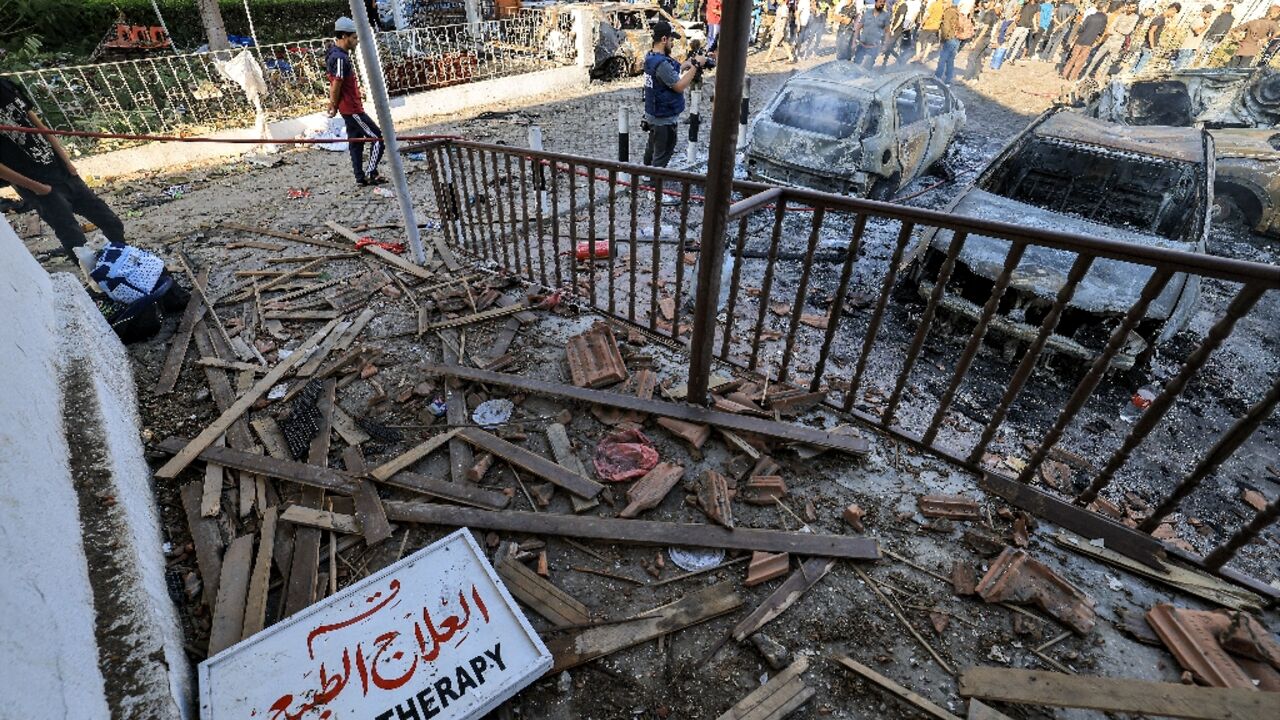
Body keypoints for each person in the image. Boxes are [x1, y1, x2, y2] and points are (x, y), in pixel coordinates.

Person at [0, 77, 126, 262]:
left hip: (62, 171)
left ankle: (122, 262)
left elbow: (39, 126)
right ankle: (97, 282)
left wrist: (68, 163)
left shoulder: (5, 85)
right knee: (75, 240)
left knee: (111, 221)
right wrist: (37, 188)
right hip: (38, 186)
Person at [326, 17, 385, 187]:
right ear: (344, 36)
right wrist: (334, 104)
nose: (357, 41)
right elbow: (336, 84)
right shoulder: (339, 58)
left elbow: (337, 83)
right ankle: (371, 173)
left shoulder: (334, 53)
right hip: (352, 109)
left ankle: (360, 177)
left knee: (355, 143)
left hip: (349, 107)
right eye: (354, 37)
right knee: (377, 139)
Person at [643, 21, 705, 169]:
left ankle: (646, 176)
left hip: (653, 114)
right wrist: (696, 67)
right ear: (664, 40)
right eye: (671, 40)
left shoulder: (651, 57)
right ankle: (653, 187)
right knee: (662, 154)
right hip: (664, 119)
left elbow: (668, 74)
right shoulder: (662, 64)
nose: (673, 44)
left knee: (652, 150)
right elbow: (679, 86)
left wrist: (686, 64)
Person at [1085, 1, 1137, 78]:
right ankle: (1085, 74)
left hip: (1118, 43)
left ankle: (1100, 79)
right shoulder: (1121, 15)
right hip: (1110, 40)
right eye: (1130, 7)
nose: (1131, 9)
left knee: (1109, 63)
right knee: (1095, 58)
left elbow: (1127, 31)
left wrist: (1117, 29)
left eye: (1133, 8)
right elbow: (1110, 28)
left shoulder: (1135, 17)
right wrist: (1118, 31)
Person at [1062, 4, 1108, 78]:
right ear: (1104, 8)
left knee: (1072, 58)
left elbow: (1081, 29)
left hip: (1080, 40)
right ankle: (1072, 77)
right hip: (1090, 42)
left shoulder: (1090, 17)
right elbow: (1101, 31)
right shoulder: (1104, 18)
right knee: (1080, 61)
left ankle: (1064, 74)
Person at [1133, 3, 1178, 72]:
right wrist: (1152, 47)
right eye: (1174, 13)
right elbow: (1151, 32)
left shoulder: (1160, 18)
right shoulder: (1160, 19)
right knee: (1139, 68)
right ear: (1173, 9)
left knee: (1135, 67)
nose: (1173, 15)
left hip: (1147, 45)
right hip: (1148, 47)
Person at [964, 1, 1002, 79]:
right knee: (978, 59)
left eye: (987, 2)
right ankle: (976, 77)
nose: (985, 4)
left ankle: (966, 77)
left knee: (972, 57)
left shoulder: (989, 14)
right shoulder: (992, 13)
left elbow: (984, 29)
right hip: (986, 38)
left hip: (982, 38)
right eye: (984, 2)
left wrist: (975, 41)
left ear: (992, 2)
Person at [857, 0, 894, 66]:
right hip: (863, 43)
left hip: (874, 45)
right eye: (880, 1)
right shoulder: (867, 13)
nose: (882, 3)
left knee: (868, 66)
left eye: (883, 2)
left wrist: (885, 45)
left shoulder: (886, 16)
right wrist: (855, 40)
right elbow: (859, 27)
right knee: (856, 63)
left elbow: (887, 32)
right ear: (876, 2)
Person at [882, 0, 916, 65]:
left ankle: (898, 59)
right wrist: (891, 26)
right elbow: (893, 16)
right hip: (893, 27)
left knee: (889, 45)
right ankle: (885, 62)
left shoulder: (903, 6)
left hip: (898, 30)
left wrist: (893, 29)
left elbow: (901, 19)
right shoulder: (898, 4)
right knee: (889, 46)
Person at [936, 0, 963, 82]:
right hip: (956, 39)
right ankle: (948, 80)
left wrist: (943, 41)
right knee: (950, 60)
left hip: (949, 39)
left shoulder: (948, 12)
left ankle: (937, 78)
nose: (943, 5)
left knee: (942, 59)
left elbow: (946, 28)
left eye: (944, 2)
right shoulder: (957, 12)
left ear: (950, 2)